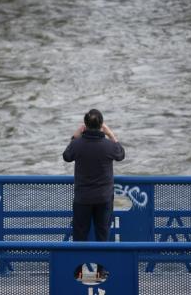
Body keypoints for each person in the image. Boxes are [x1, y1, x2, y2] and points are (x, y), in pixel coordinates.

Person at [63, 109, 125, 279]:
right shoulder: (109, 146)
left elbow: (67, 156)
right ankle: (101, 271)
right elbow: (121, 154)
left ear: (85, 126)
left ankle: (78, 271)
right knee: (102, 234)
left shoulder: (78, 144)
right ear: (101, 126)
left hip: (82, 198)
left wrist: (75, 136)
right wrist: (111, 134)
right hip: (104, 198)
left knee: (80, 235)